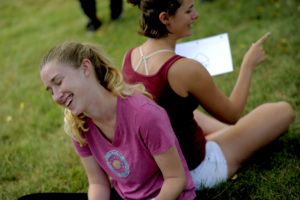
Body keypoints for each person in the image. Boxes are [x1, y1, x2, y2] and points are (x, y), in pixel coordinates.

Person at [122, 0, 295, 190]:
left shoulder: (130, 57)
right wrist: (248, 65)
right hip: (197, 168)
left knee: (181, 111)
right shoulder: (185, 69)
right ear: (165, 18)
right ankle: (233, 137)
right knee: (282, 111)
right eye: (189, 11)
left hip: (161, 166)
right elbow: (232, 114)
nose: (196, 15)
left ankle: (233, 136)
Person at [38, 42, 196, 200]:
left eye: (58, 82)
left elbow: (175, 179)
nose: (56, 96)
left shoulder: (143, 114)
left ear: (85, 68)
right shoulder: (78, 125)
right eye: (50, 91)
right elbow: (98, 184)